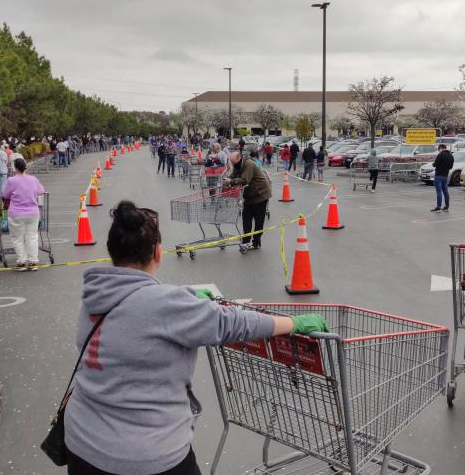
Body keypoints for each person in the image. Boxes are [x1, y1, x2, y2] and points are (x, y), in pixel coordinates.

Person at [64, 201, 327, 475]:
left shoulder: (95, 296)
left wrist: (185, 296)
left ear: (112, 252)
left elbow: (141, 311)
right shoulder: (165, 305)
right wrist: (293, 322)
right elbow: (230, 323)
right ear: (158, 252)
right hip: (147, 455)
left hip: (82, 443)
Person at [2, 158, 45, 272]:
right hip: (33, 212)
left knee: (18, 239)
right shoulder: (33, 179)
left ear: (15, 168)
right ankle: (33, 261)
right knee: (32, 237)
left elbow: (5, 194)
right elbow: (41, 190)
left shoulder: (11, 180)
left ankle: (21, 262)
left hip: (16, 213)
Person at [227, 152, 272, 251]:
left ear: (239, 159)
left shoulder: (249, 164)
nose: (234, 165)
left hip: (260, 194)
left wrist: (231, 182)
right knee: (246, 218)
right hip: (249, 195)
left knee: (258, 221)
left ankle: (256, 243)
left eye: (234, 163)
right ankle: (246, 241)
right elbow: (234, 175)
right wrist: (229, 180)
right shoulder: (237, 165)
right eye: (232, 164)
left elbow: (245, 180)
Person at [431, 144, 454, 212]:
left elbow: (435, 164)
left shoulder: (440, 155)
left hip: (438, 175)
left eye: (439, 149)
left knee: (439, 192)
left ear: (440, 148)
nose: (439, 151)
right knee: (446, 191)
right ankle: (446, 206)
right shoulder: (451, 156)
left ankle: (438, 207)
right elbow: (451, 167)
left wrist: (433, 164)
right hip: (445, 175)